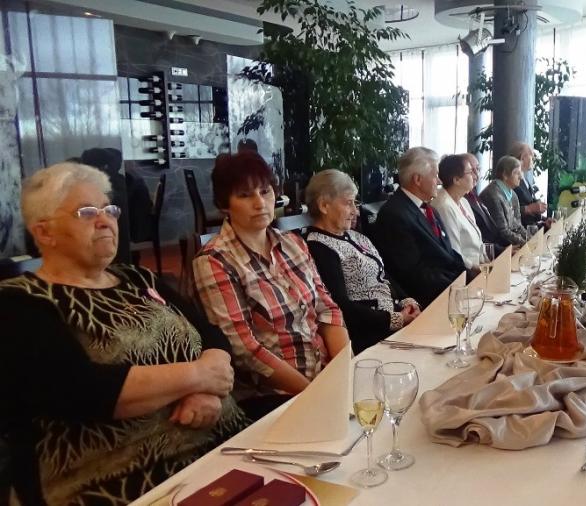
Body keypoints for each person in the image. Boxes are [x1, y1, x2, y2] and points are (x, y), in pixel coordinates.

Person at [0, 162, 246, 505]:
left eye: (109, 209)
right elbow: (86, 392)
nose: (105, 220)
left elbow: (212, 335)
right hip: (121, 479)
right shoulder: (20, 303)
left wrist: (209, 392)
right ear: (44, 233)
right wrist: (198, 376)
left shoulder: (137, 278)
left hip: (223, 446)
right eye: (87, 212)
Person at [193, 153, 349, 420]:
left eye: (265, 191)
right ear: (224, 205)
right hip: (273, 397)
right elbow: (245, 350)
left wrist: (345, 371)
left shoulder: (292, 243)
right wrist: (314, 393)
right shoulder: (214, 261)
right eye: (245, 195)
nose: (259, 203)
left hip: (325, 378)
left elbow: (327, 308)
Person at [303, 169, 421, 354]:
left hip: (395, 322)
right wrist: (396, 319)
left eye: (355, 203)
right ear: (324, 206)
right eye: (348, 203)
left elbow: (382, 273)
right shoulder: (318, 246)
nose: (355, 211)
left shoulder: (355, 236)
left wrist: (407, 301)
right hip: (369, 336)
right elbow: (341, 306)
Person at [374, 147, 468, 306]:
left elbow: (448, 253)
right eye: (435, 175)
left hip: (451, 289)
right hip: (430, 301)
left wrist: (469, 275)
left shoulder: (428, 208)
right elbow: (414, 274)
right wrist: (459, 287)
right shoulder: (394, 215)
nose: (439, 181)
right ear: (417, 179)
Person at [432, 154, 485, 268]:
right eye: (470, 172)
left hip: (481, 266)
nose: (475, 175)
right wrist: (477, 269)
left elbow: (478, 242)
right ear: (456, 180)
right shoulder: (444, 206)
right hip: (466, 272)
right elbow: (454, 252)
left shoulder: (464, 201)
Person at [480, 155, 529, 247]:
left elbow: (518, 226)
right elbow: (502, 231)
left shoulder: (513, 194)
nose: (521, 177)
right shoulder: (492, 195)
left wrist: (530, 239)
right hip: (500, 247)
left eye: (520, 173)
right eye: (516, 173)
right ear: (505, 175)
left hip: (512, 245)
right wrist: (526, 244)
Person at [461, 152, 508, 248]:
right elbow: (474, 238)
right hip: (487, 251)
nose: (476, 174)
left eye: (478, 169)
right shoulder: (461, 198)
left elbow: (493, 228)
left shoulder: (473, 192)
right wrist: (501, 249)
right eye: (471, 170)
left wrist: (509, 246)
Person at [508, 142, 548, 226]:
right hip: (521, 230)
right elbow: (508, 210)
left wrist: (545, 220)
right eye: (531, 158)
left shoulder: (524, 179)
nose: (533, 161)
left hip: (532, 227)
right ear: (522, 158)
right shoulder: (512, 181)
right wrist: (530, 209)